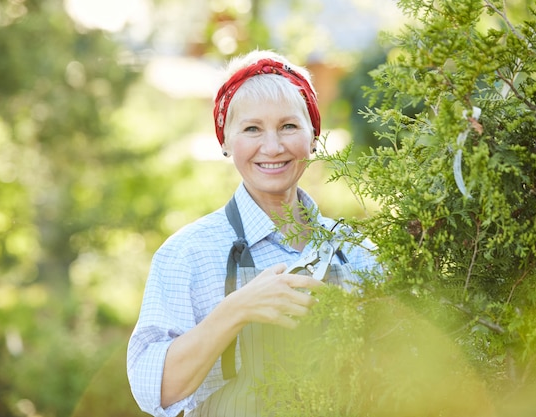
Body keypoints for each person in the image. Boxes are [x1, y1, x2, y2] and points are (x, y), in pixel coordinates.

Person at [127, 49, 377, 417]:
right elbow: (156, 391)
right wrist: (237, 308)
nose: (273, 147)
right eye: (252, 129)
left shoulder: (355, 250)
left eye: (289, 126)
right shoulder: (189, 253)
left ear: (313, 136)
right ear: (226, 142)